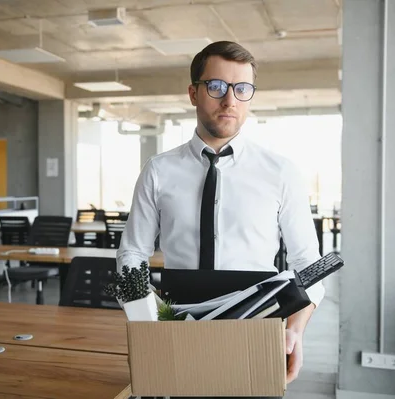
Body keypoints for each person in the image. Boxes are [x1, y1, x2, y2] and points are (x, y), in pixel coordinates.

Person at [117, 40, 325, 399]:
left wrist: (295, 329)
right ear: (193, 93)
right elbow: (132, 254)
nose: (230, 100)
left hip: (256, 332)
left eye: (242, 89)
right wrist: (146, 322)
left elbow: (310, 265)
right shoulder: (158, 171)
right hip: (177, 327)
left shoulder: (280, 172)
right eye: (216, 87)